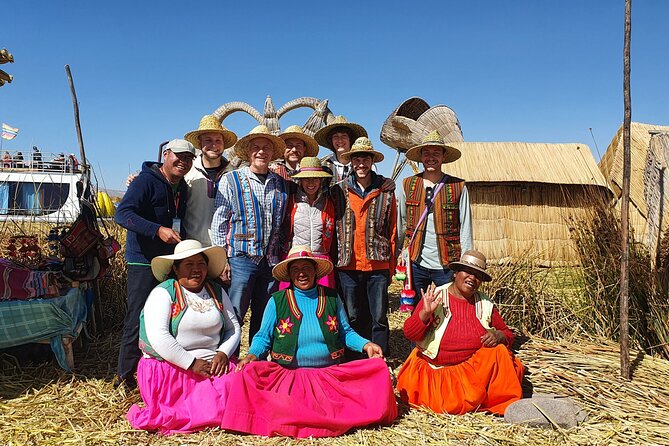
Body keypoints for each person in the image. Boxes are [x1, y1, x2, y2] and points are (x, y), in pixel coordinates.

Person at [221, 247, 397, 438]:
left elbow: (346, 332)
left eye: (306, 268)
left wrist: (366, 344)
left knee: (378, 369)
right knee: (245, 373)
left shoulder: (331, 297)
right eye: (296, 269)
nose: (302, 273)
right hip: (289, 377)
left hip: (329, 377)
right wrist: (252, 355)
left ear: (315, 271)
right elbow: (263, 337)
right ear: (289, 275)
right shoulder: (277, 301)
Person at [127, 240, 240, 434]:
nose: (196, 270)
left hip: (214, 364)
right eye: (189, 264)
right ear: (176, 269)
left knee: (242, 400)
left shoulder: (216, 292)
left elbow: (233, 327)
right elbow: (159, 336)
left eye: (201, 264)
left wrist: (223, 353)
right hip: (171, 368)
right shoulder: (163, 293)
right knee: (210, 410)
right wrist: (191, 363)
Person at [396, 250, 525, 415]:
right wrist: (424, 314)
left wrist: (498, 336)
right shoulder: (436, 297)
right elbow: (410, 334)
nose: (472, 277)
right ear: (456, 273)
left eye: (478, 275)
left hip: (470, 374)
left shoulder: (485, 304)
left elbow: (507, 334)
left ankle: (504, 406)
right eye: (468, 272)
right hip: (437, 377)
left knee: (500, 353)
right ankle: (469, 400)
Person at [114, 139, 195, 389]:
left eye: (188, 158)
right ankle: (124, 377)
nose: (182, 162)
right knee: (137, 316)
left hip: (170, 260)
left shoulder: (181, 187)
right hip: (143, 261)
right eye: (178, 156)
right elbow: (122, 214)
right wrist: (156, 230)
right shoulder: (146, 181)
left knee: (166, 316)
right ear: (166, 155)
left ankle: (159, 374)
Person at [211, 124, 288, 347]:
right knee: (234, 315)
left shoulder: (281, 184)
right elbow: (219, 221)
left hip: (271, 261)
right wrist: (221, 259)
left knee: (264, 317)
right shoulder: (231, 180)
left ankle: (256, 362)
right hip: (241, 259)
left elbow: (283, 224)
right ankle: (229, 359)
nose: (261, 151)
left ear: (273, 153)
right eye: (256, 147)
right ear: (248, 152)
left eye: (266, 147)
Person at [330, 137, 397, 357]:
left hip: (377, 264)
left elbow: (393, 231)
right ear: (351, 162)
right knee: (353, 315)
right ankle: (354, 357)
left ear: (371, 162)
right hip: (348, 265)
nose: (361, 163)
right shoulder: (338, 191)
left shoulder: (386, 191)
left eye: (365, 159)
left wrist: (391, 266)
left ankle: (380, 359)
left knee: (378, 316)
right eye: (357, 159)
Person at [397, 130, 473, 309]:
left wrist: (466, 265)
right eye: (426, 153)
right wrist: (398, 254)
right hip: (415, 262)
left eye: (436, 153)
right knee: (416, 310)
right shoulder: (407, 184)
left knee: (446, 309)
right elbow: (400, 222)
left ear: (443, 156)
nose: (431, 157)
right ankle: (416, 338)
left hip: (447, 263)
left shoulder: (457, 187)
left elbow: (466, 227)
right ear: (421, 157)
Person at [280, 156, 335, 288]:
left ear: (320, 180)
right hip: (296, 258)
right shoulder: (291, 202)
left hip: (321, 258)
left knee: (323, 301)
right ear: (300, 181)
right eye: (306, 179)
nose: (311, 183)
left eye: (315, 178)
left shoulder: (328, 203)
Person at [183, 115, 238, 245]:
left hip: (225, 247)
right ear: (200, 143)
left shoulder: (234, 175)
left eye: (218, 140)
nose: (214, 145)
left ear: (224, 144)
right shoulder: (187, 171)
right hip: (193, 245)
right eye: (208, 140)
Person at [314, 115, 368, 185]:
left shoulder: (363, 165)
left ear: (350, 139)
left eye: (344, 136)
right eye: (335, 136)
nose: (340, 140)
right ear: (331, 141)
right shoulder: (324, 166)